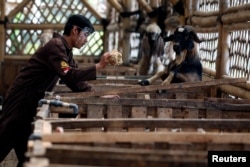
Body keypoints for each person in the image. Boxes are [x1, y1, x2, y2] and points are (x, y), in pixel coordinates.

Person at [0, 14, 113, 167]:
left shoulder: (65, 51)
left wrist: (99, 95)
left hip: (28, 104)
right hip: (20, 102)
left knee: (27, 154)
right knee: (4, 142)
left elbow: (76, 82)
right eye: (85, 34)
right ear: (75, 30)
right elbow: (69, 74)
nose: (86, 40)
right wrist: (98, 66)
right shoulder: (56, 46)